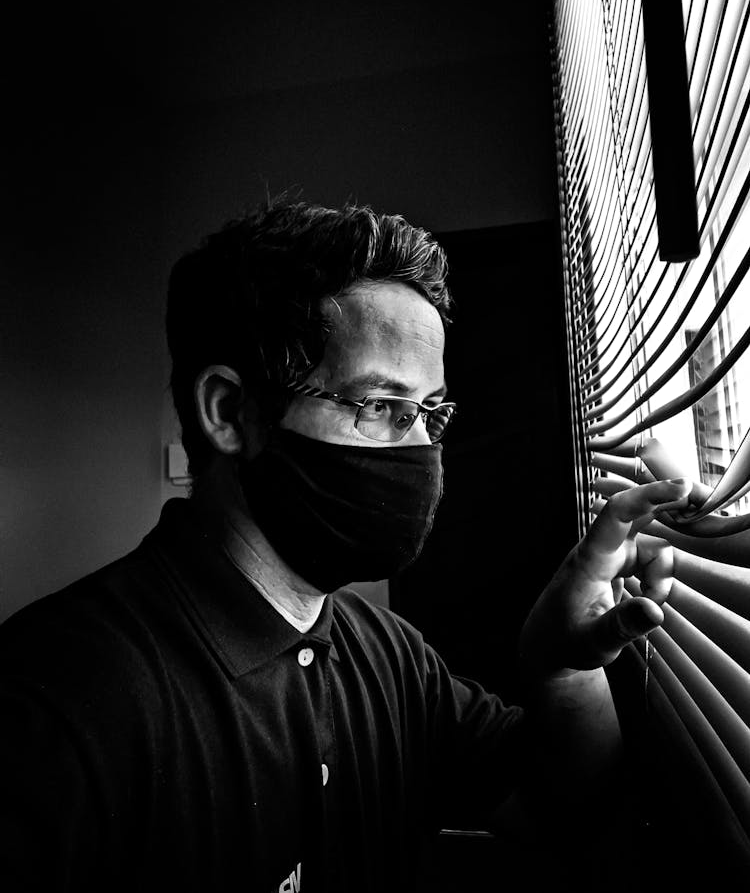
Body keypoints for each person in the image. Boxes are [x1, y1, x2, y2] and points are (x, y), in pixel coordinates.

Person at [0, 200, 690, 892]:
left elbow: (559, 809)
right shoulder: (55, 707)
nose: (421, 448)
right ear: (230, 412)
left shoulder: (387, 654)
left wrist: (564, 672)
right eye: (379, 407)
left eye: (430, 413)